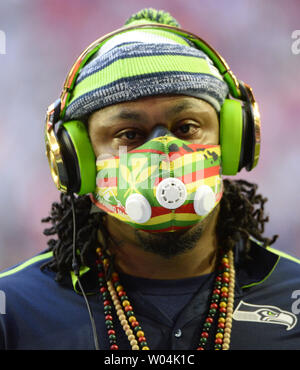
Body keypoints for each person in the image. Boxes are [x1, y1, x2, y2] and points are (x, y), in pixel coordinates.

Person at [1, 8, 300, 351]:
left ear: (234, 141)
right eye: (129, 134)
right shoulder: (15, 311)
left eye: (187, 127)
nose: (164, 154)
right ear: (76, 159)